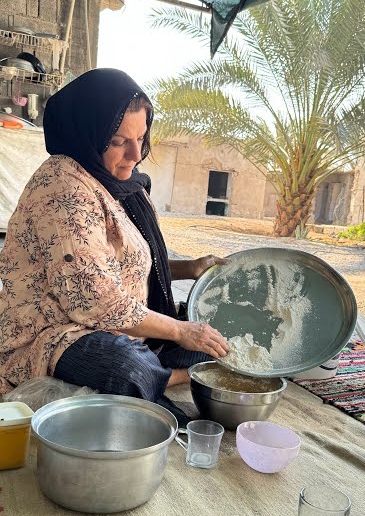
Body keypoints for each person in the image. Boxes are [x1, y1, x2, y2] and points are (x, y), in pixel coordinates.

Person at [0, 68, 230, 419]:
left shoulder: (118, 183)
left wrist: (188, 269)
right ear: (87, 135)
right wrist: (181, 330)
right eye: (119, 141)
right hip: (60, 333)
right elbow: (95, 300)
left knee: (216, 339)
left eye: (140, 138)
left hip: (122, 327)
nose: (136, 154)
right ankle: (169, 377)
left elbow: (124, 266)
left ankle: (158, 373)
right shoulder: (63, 188)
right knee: (126, 368)